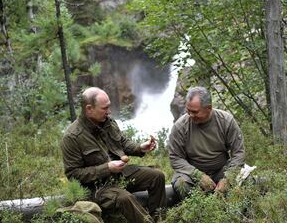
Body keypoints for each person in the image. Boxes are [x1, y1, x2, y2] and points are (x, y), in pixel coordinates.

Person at [60, 87, 166, 223]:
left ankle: (160, 219)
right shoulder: (72, 137)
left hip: (120, 175)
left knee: (157, 176)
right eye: (105, 108)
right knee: (124, 198)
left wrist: (140, 148)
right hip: (97, 188)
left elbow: (121, 142)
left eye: (109, 107)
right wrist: (107, 168)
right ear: (89, 109)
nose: (109, 111)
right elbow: (73, 174)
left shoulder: (108, 122)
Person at [168, 86, 245, 200]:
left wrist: (228, 178)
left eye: (194, 112)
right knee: (181, 184)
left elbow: (239, 153)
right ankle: (200, 212)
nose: (190, 115)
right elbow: (175, 157)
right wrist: (198, 176)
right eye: (188, 110)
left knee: (246, 179)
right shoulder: (180, 126)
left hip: (221, 170)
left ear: (208, 108)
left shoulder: (226, 121)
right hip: (191, 174)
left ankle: (229, 210)